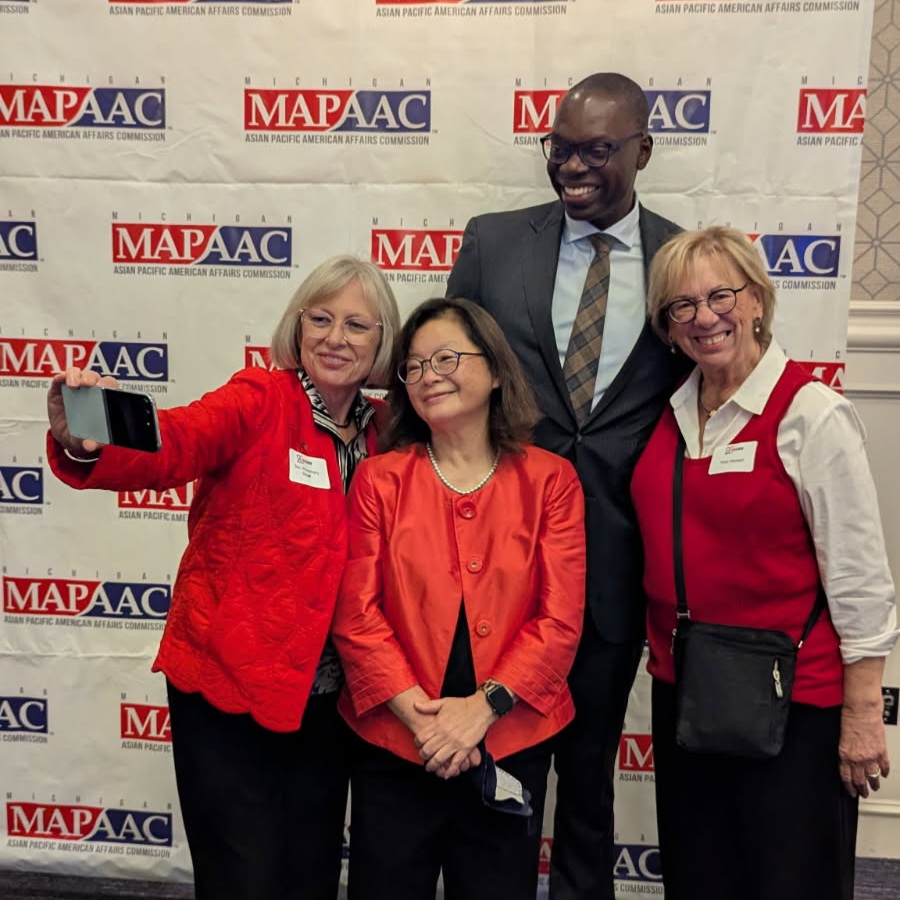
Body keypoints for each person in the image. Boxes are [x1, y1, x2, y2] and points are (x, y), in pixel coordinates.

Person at [45, 256, 401, 900]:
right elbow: (177, 440)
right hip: (229, 687)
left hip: (328, 701)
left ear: (382, 341)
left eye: (356, 325)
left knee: (311, 876)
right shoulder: (260, 398)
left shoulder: (383, 433)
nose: (335, 337)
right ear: (296, 327)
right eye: (320, 319)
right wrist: (87, 435)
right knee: (243, 878)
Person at [446, 72, 685, 900]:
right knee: (501, 767)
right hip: (498, 565)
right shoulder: (492, 243)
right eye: (560, 147)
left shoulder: (680, 260)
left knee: (589, 773)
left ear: (642, 151)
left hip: (616, 565)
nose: (572, 166)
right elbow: (450, 376)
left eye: (597, 149)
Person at [630, 226, 898, 900]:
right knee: (701, 876)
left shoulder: (811, 414)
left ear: (756, 300)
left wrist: (864, 713)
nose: (704, 317)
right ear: (667, 325)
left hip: (792, 698)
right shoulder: (672, 411)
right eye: (682, 306)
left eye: (720, 296)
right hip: (688, 689)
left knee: (790, 879)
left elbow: (861, 579)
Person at [331, 297, 586, 900]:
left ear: (495, 370)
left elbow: (559, 620)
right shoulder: (379, 479)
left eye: (446, 358)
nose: (429, 376)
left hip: (511, 739)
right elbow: (357, 616)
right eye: (414, 367)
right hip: (397, 742)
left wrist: (480, 712)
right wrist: (424, 723)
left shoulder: (550, 479)